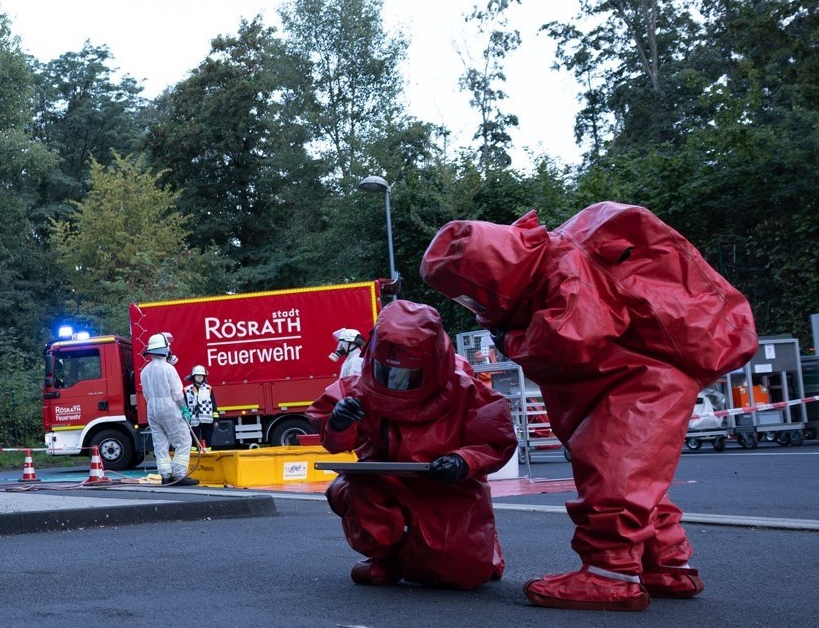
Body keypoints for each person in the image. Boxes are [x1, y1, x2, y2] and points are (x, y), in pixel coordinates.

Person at [421, 202, 756, 611]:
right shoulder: (552, 258)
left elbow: (570, 339)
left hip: (641, 382)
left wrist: (509, 338)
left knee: (613, 471)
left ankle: (610, 575)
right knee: (636, 478)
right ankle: (666, 565)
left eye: (472, 294)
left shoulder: (563, 269)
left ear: (490, 275)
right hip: (635, 376)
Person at [308, 300, 517, 590]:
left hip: (445, 486)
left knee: (463, 574)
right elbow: (333, 439)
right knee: (355, 489)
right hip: (384, 482)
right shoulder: (358, 387)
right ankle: (384, 558)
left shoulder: (465, 387)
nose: (395, 384)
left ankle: (474, 550)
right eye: (386, 372)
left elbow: (495, 440)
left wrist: (462, 462)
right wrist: (339, 422)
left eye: (406, 376)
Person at [140, 334, 198, 486]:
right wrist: (184, 408)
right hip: (169, 408)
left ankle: (165, 476)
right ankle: (179, 475)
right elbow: (178, 393)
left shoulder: (144, 371)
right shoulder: (169, 369)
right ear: (165, 349)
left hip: (152, 409)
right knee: (184, 441)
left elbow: (146, 394)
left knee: (160, 443)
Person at [183, 364, 216, 440]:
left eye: (201, 375)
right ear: (193, 376)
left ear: (204, 377)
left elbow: (213, 404)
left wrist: (216, 419)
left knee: (207, 442)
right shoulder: (187, 390)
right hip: (193, 420)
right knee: (193, 443)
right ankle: (194, 452)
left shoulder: (208, 388)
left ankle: (207, 451)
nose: (200, 377)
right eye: (197, 375)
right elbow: (185, 405)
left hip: (207, 420)